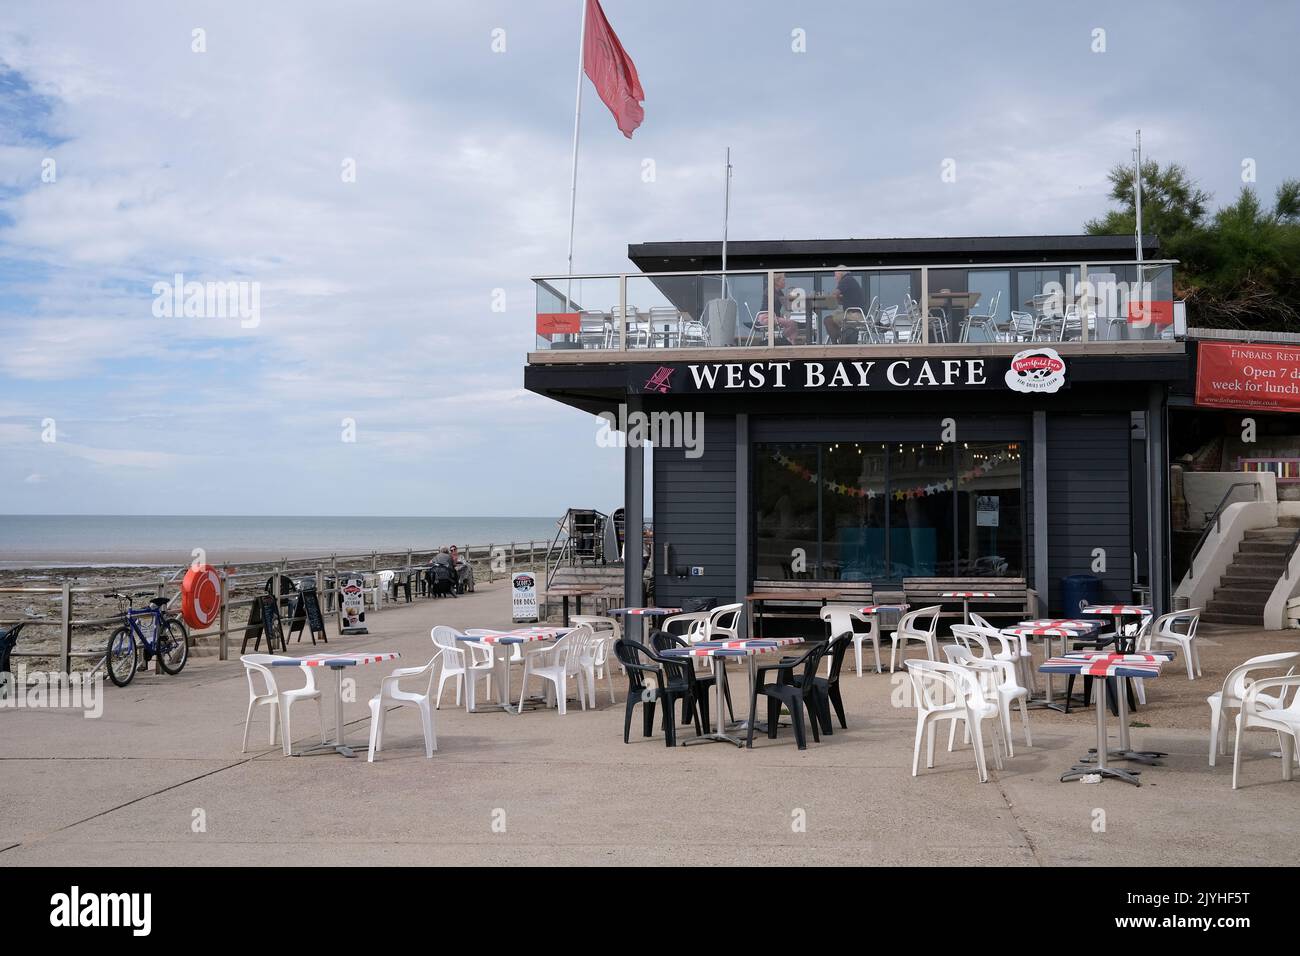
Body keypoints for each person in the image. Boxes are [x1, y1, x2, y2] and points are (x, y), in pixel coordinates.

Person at [823, 266, 867, 344]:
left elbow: (834, 294)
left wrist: (831, 297)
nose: (835, 278)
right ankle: (841, 338)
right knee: (833, 318)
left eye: (835, 275)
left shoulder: (846, 280)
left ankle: (836, 343)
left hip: (855, 315)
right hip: (859, 314)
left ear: (841, 273)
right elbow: (845, 299)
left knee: (828, 320)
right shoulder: (851, 280)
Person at [756, 272, 800, 344]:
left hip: (773, 317)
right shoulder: (770, 290)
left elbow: (786, 305)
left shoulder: (779, 292)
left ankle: (789, 341)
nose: (785, 282)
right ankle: (783, 338)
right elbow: (782, 301)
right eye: (783, 280)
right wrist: (789, 298)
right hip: (766, 317)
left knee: (792, 324)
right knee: (792, 323)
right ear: (777, 281)